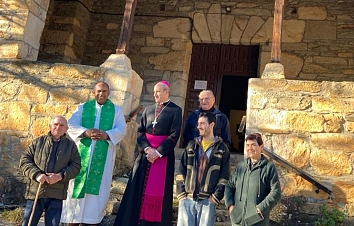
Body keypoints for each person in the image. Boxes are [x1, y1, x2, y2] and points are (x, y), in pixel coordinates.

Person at [114, 80, 183, 226]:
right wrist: (147, 149)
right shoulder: (148, 109)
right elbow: (140, 132)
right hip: (145, 156)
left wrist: (158, 153)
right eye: (154, 92)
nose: (154, 94)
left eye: (158, 91)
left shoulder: (175, 110)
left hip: (162, 158)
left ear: (166, 92)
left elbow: (174, 135)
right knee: (138, 187)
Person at [61, 82, 127, 226]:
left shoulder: (116, 111)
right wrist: (85, 132)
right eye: (98, 91)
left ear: (109, 93)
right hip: (81, 157)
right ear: (93, 92)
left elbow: (122, 129)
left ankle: (91, 220)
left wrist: (107, 135)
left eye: (104, 91)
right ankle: (72, 220)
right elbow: (71, 124)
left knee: (96, 195)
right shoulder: (83, 108)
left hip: (103, 159)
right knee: (76, 190)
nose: (101, 94)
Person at [19, 116, 81, 226]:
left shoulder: (71, 147)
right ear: (50, 126)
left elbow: (76, 166)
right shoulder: (38, 142)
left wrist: (60, 176)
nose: (58, 127)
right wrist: (37, 174)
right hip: (35, 192)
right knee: (28, 223)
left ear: (66, 129)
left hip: (56, 195)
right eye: (55, 124)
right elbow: (24, 161)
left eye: (62, 125)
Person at [175, 111, 231, 226]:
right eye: (198, 124)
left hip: (207, 201)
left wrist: (215, 198)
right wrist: (181, 194)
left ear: (212, 125)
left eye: (202, 124)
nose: (198, 127)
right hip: (187, 199)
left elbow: (225, 176)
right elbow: (181, 171)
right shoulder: (191, 145)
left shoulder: (222, 148)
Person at [224, 133, 281, 226]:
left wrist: (260, 209)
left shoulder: (268, 168)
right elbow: (229, 186)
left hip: (257, 221)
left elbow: (276, 192)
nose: (250, 148)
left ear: (261, 147)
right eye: (247, 145)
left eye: (253, 145)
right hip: (237, 221)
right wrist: (230, 205)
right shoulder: (240, 166)